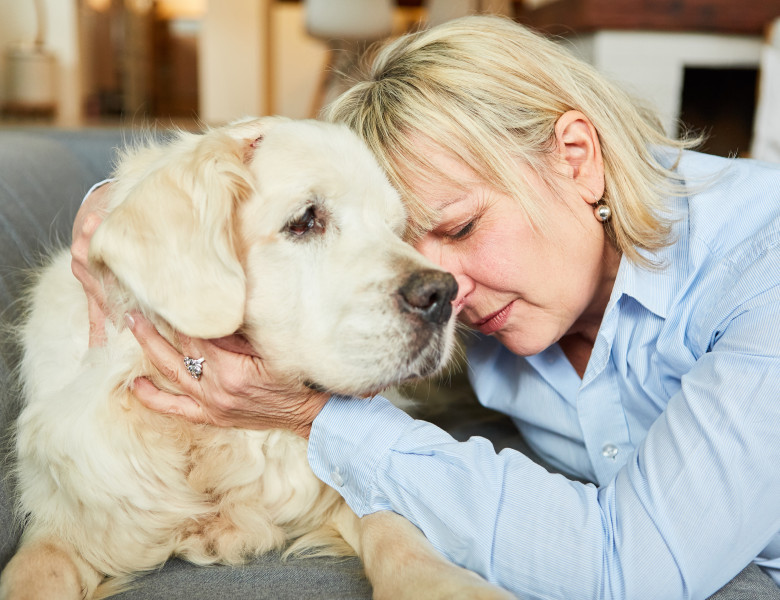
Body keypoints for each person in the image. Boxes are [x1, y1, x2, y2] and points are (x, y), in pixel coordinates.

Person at [72, 15, 780, 600]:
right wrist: (130, 206)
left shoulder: (763, 269)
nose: (448, 293)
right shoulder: (517, 296)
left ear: (575, 157)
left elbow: (633, 566)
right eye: (411, 250)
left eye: (464, 228)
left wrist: (311, 415)